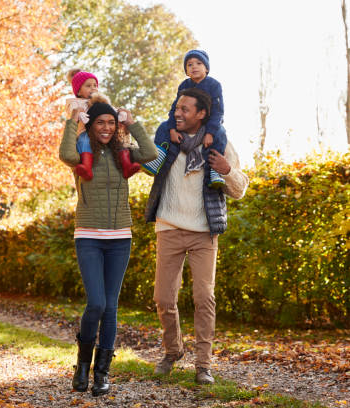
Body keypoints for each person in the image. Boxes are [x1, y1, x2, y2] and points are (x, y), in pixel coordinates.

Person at [144, 88, 249, 385]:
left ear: (201, 113)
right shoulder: (167, 140)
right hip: (169, 227)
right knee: (163, 298)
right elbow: (142, 160)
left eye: (185, 109)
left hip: (204, 232)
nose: (178, 113)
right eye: (177, 108)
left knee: (204, 297)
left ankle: (203, 365)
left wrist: (227, 170)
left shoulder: (218, 144)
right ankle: (173, 350)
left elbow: (240, 189)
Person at [59, 93, 157, 396]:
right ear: (91, 126)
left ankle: (102, 373)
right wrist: (72, 121)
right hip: (88, 236)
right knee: (97, 303)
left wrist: (133, 123)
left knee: (111, 307)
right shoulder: (82, 149)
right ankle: (82, 365)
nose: (106, 128)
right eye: (101, 122)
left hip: (119, 239)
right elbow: (64, 154)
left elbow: (151, 152)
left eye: (111, 123)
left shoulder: (123, 152)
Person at [143, 50, 227, 189]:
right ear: (186, 71)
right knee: (163, 126)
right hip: (186, 121)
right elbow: (175, 108)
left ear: (206, 68)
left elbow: (218, 111)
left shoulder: (214, 85)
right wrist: (171, 129)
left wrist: (210, 132)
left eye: (199, 63)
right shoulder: (184, 86)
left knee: (221, 132)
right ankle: (158, 157)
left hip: (209, 122)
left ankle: (215, 171)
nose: (194, 66)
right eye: (189, 64)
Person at [65, 69, 142, 180]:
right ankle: (86, 167)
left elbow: (111, 110)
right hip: (85, 133)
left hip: (104, 135)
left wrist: (120, 115)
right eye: (88, 86)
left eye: (95, 85)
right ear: (78, 91)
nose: (93, 88)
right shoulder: (75, 102)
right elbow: (73, 110)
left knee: (118, 140)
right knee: (84, 140)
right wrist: (79, 114)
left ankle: (126, 165)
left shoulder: (101, 101)